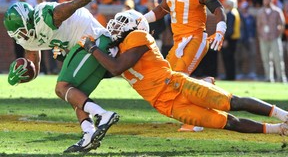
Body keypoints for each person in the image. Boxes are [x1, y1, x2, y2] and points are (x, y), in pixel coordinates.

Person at [80, 10, 288, 138]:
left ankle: (284, 115)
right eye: (118, 21)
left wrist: (92, 49)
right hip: (166, 104)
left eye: (123, 21)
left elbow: (116, 68)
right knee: (227, 122)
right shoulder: (115, 51)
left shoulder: (138, 37)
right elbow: (105, 70)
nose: (117, 25)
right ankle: (279, 129)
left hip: (176, 85)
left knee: (232, 102)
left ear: (136, 27)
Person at [3, 0, 119, 153]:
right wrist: (20, 77)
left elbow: (69, 7)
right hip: (84, 46)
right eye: (16, 34)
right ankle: (88, 133)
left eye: (21, 30)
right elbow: (34, 66)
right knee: (75, 94)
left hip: (93, 40)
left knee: (61, 87)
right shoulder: (26, 38)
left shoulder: (42, 17)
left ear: (28, 20)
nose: (21, 36)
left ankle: (103, 115)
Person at [143, 0, 227, 132]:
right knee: (167, 82)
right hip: (179, 41)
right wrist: (142, 20)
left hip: (196, 38)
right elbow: (163, 8)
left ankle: (197, 120)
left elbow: (218, 8)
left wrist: (220, 29)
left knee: (179, 79)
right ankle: (204, 85)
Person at [256, 0, 287, 83]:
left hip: (274, 38)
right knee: (266, 59)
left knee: (278, 58)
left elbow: (282, 24)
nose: (266, 1)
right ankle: (269, 77)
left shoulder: (277, 11)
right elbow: (258, 25)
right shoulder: (260, 12)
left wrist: (278, 34)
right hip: (264, 38)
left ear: (271, 0)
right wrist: (261, 35)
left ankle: (281, 77)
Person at [221, 0, 241, 81]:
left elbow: (230, 29)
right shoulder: (235, 12)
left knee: (228, 58)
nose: (224, 4)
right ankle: (231, 76)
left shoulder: (231, 13)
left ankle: (229, 76)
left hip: (230, 39)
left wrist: (226, 39)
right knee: (231, 58)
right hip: (234, 38)